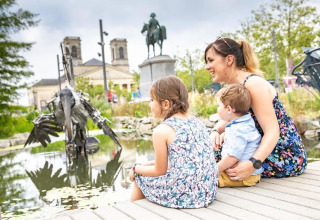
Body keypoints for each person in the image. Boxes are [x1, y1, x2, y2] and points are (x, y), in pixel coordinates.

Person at [205, 37, 307, 180]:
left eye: (210, 60)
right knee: (206, 142)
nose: (207, 66)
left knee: (209, 155)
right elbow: (231, 116)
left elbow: (272, 131)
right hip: (252, 146)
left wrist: (253, 164)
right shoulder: (232, 86)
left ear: (229, 60)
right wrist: (215, 132)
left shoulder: (253, 84)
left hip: (284, 154)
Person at [129, 75, 218, 208]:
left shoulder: (162, 130)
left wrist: (136, 169)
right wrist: (145, 164)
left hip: (187, 195)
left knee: (140, 177)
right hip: (207, 189)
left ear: (166, 104)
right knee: (143, 171)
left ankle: (131, 212)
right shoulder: (196, 121)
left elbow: (160, 170)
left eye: (152, 100)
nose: (150, 104)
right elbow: (182, 162)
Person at [215, 84, 263, 187]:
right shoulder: (245, 122)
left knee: (210, 178)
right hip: (252, 174)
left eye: (219, 106)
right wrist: (225, 135)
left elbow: (233, 157)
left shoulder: (236, 130)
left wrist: (213, 169)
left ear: (229, 109)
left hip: (243, 176)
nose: (217, 109)